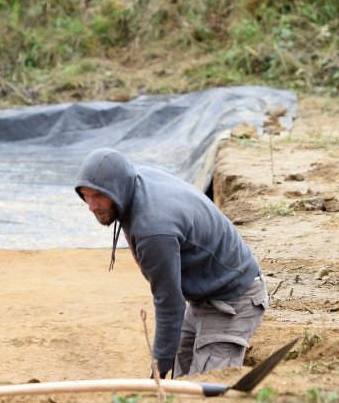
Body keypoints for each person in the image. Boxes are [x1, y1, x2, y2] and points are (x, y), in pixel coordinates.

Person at [73, 147, 268, 378]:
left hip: (234, 298)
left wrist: (158, 369)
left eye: (98, 196)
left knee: (204, 388)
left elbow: (169, 303)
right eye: (86, 195)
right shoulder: (135, 181)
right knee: (180, 377)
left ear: (117, 188)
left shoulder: (154, 230)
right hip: (204, 295)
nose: (91, 206)